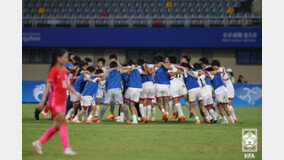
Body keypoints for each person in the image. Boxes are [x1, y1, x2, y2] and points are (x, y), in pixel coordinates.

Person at [32, 49, 81, 155]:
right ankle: (66, 148)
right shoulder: (53, 70)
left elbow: (66, 85)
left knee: (56, 127)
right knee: (63, 123)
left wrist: (76, 93)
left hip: (61, 101)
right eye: (65, 57)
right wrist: (43, 101)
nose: (66, 59)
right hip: (54, 102)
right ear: (58, 58)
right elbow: (47, 87)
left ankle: (38, 142)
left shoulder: (63, 70)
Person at [207, 60, 235, 124]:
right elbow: (219, 71)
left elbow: (208, 73)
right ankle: (232, 120)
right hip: (225, 90)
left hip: (219, 92)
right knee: (225, 106)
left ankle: (226, 121)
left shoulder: (211, 74)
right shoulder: (219, 72)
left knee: (220, 107)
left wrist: (208, 71)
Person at [148, 54, 172, 122]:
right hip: (166, 85)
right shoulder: (167, 66)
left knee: (159, 101)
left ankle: (164, 112)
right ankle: (167, 113)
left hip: (158, 85)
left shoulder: (155, 67)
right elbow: (170, 68)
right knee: (165, 100)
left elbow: (151, 72)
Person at [123, 59, 146, 124]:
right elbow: (145, 73)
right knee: (132, 104)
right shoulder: (139, 69)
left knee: (124, 102)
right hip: (138, 88)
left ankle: (121, 117)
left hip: (131, 87)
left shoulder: (129, 68)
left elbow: (123, 71)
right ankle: (135, 120)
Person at [168, 55, 186, 122]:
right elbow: (183, 69)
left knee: (175, 100)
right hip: (180, 84)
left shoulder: (170, 67)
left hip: (174, 84)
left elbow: (171, 74)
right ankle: (179, 115)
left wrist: (176, 72)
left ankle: (181, 115)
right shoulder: (180, 67)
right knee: (177, 100)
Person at [138, 59, 155, 123]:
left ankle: (143, 117)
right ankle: (147, 117)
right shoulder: (149, 66)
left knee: (141, 101)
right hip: (151, 85)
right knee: (149, 101)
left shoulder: (139, 67)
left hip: (144, 84)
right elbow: (155, 66)